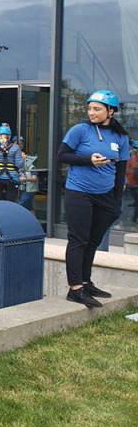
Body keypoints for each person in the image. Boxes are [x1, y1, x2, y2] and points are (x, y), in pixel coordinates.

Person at [59, 89, 130, 308]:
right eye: (89, 108)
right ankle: (75, 289)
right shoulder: (80, 130)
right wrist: (88, 159)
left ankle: (86, 282)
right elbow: (62, 156)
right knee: (78, 240)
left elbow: (121, 170)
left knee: (93, 241)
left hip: (105, 196)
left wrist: (116, 202)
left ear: (111, 111)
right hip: (79, 192)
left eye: (97, 109)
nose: (91, 112)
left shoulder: (121, 137)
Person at [0, 123, 24, 201]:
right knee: (11, 202)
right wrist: (23, 158)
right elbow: (20, 164)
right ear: (9, 136)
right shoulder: (16, 147)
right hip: (12, 177)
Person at [17, 138, 40, 212]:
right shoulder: (19, 164)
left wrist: (25, 179)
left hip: (29, 189)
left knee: (21, 204)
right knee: (29, 207)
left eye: (21, 144)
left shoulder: (30, 165)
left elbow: (35, 178)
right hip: (23, 188)